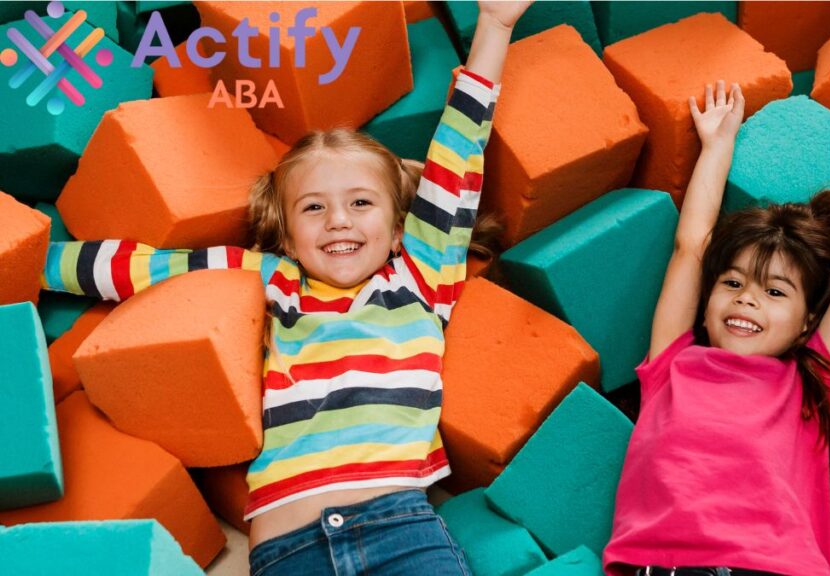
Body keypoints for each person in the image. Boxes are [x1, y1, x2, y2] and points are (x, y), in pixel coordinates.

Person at [40, 2, 532, 574]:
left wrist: (496, 26)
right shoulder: (269, 280)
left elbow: (459, 150)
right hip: (287, 548)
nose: (339, 220)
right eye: (314, 207)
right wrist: (32, 258)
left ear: (400, 228)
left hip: (404, 532)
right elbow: (141, 268)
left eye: (361, 203)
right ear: (288, 237)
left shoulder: (422, 275)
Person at [603, 81, 830, 576]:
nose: (747, 297)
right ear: (708, 299)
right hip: (660, 566)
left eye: (774, 292)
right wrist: (717, 146)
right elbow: (690, 247)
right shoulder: (672, 364)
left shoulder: (809, 384)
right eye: (732, 282)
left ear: (805, 327)